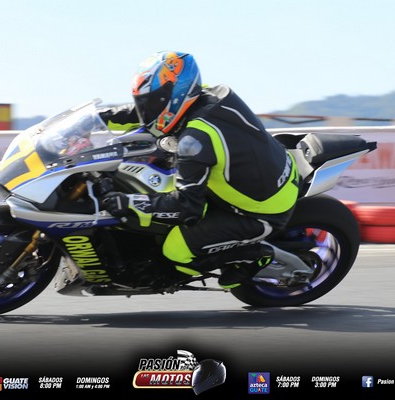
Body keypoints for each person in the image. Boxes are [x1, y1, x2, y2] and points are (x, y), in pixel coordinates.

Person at [100, 51, 299, 289]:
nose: (147, 109)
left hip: (260, 211)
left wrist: (129, 202)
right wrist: (101, 117)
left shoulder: (194, 141)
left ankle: (257, 255)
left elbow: (187, 208)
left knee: (176, 252)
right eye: (144, 101)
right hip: (269, 173)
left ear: (177, 94)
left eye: (153, 101)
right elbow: (145, 111)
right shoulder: (204, 93)